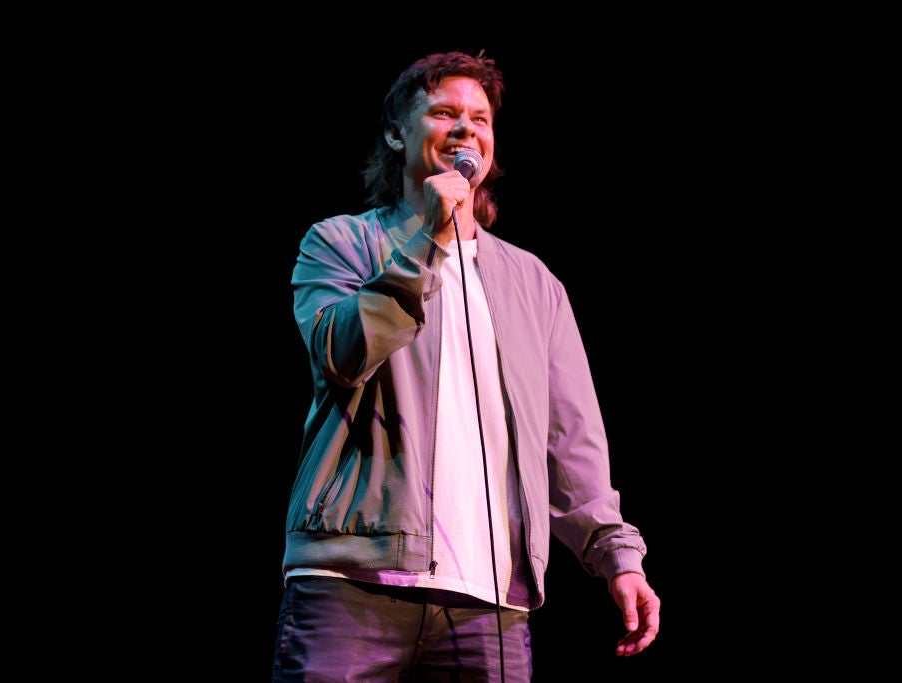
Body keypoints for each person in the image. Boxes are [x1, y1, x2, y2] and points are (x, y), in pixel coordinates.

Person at [273, 50, 660, 682]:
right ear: (399, 134)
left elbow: (571, 442)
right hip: (353, 582)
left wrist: (618, 556)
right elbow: (341, 356)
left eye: (479, 118)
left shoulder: (534, 284)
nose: (465, 129)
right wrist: (425, 240)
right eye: (444, 113)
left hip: (490, 602)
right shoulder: (343, 243)